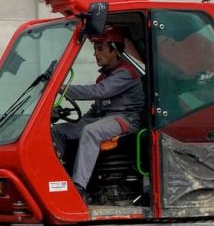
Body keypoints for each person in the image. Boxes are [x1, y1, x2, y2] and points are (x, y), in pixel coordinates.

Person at [52, 27, 145, 196]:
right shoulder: (104, 77)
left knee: (90, 131)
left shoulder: (126, 73)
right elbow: (98, 107)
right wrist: (77, 121)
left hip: (125, 120)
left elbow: (99, 92)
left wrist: (61, 88)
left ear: (115, 50)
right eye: (95, 49)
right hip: (104, 118)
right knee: (58, 131)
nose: (95, 53)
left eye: (100, 48)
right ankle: (58, 177)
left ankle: (78, 187)